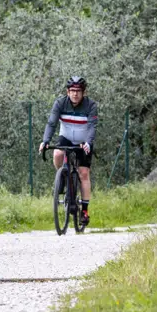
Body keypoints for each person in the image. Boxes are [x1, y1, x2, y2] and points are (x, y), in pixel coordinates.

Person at [38, 76, 97, 227]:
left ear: (84, 92)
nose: (75, 94)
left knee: (84, 173)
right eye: (72, 91)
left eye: (78, 91)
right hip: (66, 137)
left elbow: (92, 126)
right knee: (57, 154)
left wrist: (88, 143)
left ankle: (84, 211)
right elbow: (51, 123)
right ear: (67, 92)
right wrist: (45, 141)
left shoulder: (90, 105)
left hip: (83, 141)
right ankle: (63, 177)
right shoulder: (60, 103)